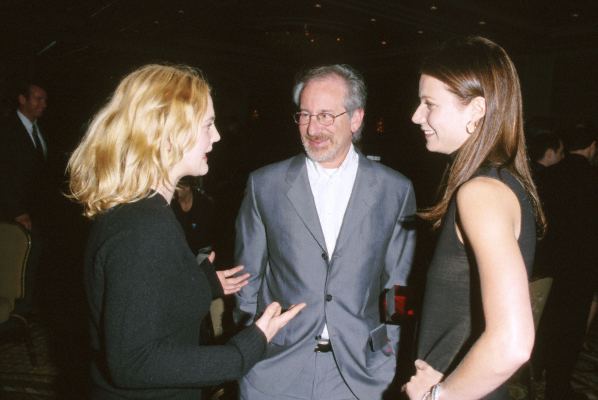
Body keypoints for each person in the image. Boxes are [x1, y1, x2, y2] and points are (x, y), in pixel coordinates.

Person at [66, 64, 305, 400]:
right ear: (168, 133)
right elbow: (134, 362)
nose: (217, 135)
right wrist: (248, 346)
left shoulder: (143, 209)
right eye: (208, 124)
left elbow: (147, 300)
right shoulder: (142, 226)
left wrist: (205, 283)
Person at [234, 64, 417, 399]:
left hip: (360, 374)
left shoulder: (395, 190)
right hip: (273, 370)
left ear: (357, 119)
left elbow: (399, 284)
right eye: (304, 114)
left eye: (325, 116)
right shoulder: (266, 184)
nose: (312, 128)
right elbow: (247, 278)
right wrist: (250, 345)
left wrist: (391, 348)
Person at [405, 36, 545, 400]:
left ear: (476, 109)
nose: (416, 116)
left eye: (429, 104)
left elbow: (513, 342)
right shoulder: (501, 183)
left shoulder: (480, 193)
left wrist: (439, 395)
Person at [536, 125, 597, 400]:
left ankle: (535, 376)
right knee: (571, 330)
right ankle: (557, 387)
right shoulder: (593, 178)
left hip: (547, 264)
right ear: (592, 147)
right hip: (582, 268)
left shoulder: (547, 176)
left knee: (545, 321)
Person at [0, 82, 49, 231]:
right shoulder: (6, 129)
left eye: (45, 100)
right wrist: (18, 212)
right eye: (38, 99)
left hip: (39, 213)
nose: (44, 104)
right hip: (14, 216)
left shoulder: (45, 129)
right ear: (22, 99)